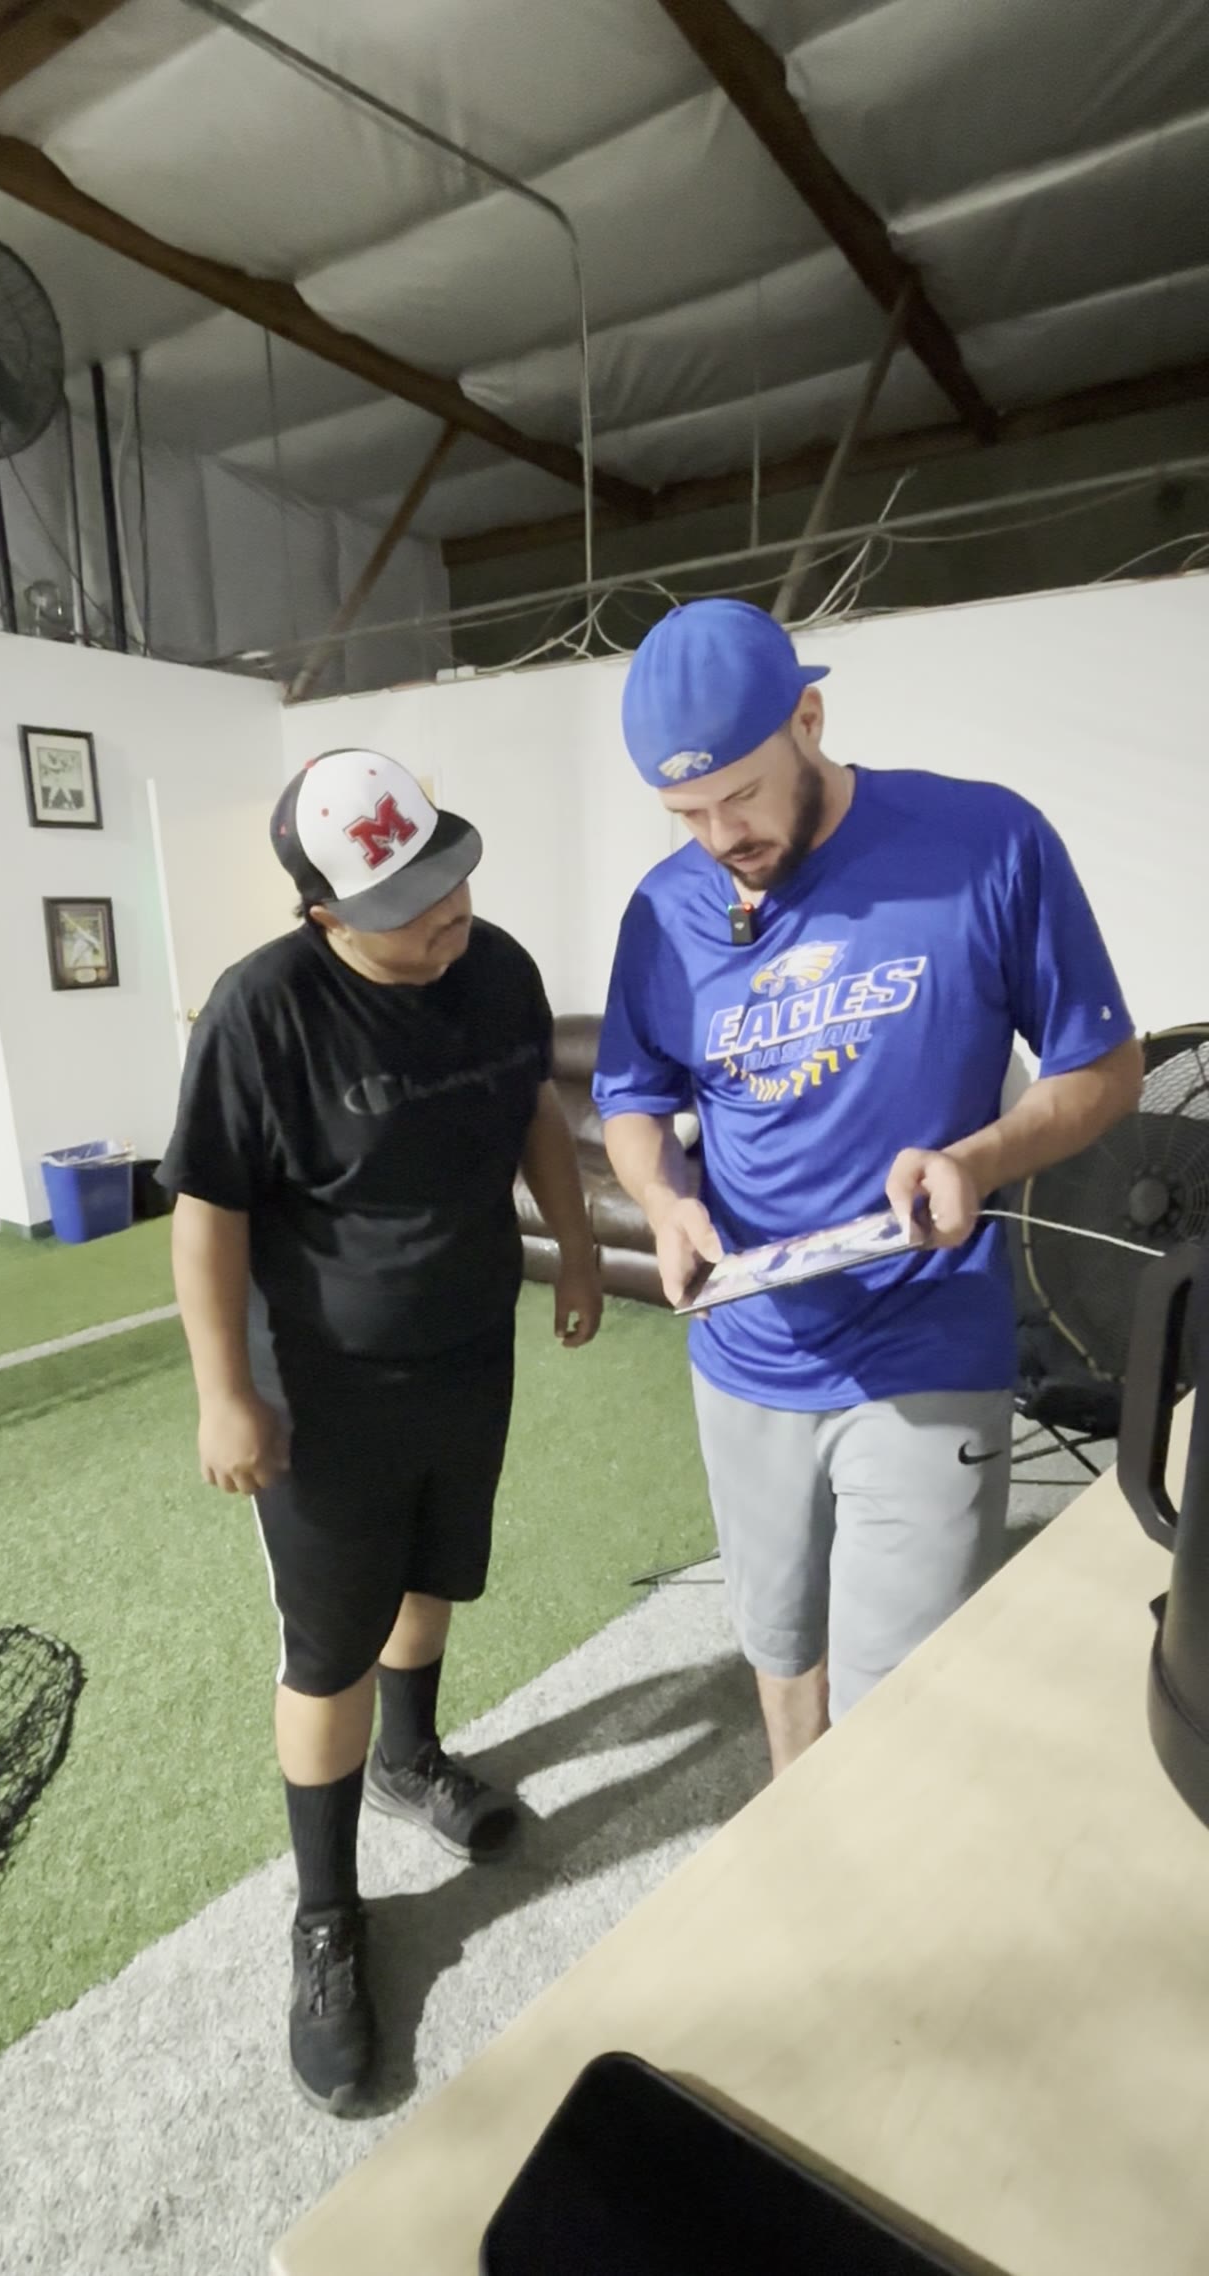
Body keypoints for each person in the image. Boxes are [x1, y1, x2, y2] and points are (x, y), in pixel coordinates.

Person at [595, 598, 1141, 1777]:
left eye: (738, 794)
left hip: (924, 1337)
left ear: (808, 715)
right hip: (742, 1348)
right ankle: (810, 1857)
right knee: (781, 1650)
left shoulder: (984, 841)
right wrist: (663, 1198)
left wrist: (978, 1157)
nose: (716, 834)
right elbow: (631, 1097)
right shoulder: (663, 909)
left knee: (905, 1705)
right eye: (684, 812)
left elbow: (1105, 1067)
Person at [159, 748, 601, 2116]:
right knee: (332, 1634)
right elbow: (210, 1210)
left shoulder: (501, 968)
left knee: (434, 1572)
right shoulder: (261, 1011)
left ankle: (412, 1756)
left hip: (468, 1345)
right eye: (408, 898)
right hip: (322, 1385)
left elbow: (532, 1105)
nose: (447, 910)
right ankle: (327, 1914)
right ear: (325, 915)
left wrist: (575, 1243)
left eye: (451, 873)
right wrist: (222, 1388)